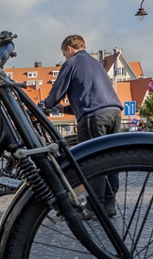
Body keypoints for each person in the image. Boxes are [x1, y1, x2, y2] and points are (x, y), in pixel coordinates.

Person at [41, 35, 123, 218]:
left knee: (93, 161)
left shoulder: (71, 63)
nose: (65, 56)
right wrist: (64, 108)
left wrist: (46, 104)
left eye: (64, 53)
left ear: (69, 49)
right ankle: (109, 205)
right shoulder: (97, 65)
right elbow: (90, 96)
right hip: (114, 113)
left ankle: (94, 207)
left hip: (93, 118)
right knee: (110, 160)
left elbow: (56, 92)